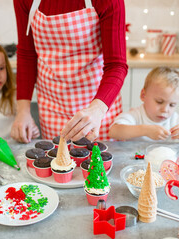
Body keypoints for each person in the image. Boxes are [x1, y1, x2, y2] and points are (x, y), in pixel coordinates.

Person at [11, 0, 128, 143]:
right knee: (57, 162)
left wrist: (97, 110)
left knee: (99, 163)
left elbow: (116, 65)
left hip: (99, 106)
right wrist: (23, 111)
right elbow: (27, 54)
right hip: (52, 107)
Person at [109, 66, 179, 142]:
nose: (165, 110)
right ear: (143, 95)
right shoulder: (135, 116)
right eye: (159, 102)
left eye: (172, 105)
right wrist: (146, 130)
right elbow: (114, 131)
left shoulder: (174, 120)